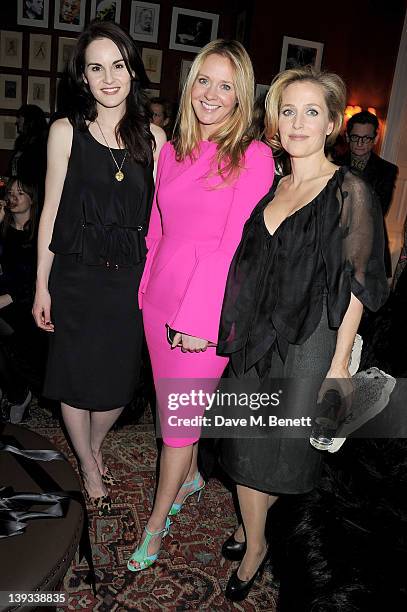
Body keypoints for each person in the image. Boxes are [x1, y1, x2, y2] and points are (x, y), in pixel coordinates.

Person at [216, 67, 389, 601]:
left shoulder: (349, 190)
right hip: (253, 335)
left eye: (311, 112)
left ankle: (255, 545)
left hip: (309, 341)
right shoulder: (273, 185)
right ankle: (253, 531)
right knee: (243, 443)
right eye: (287, 110)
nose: (297, 122)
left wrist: (338, 367)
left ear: (332, 123)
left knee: (277, 452)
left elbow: (359, 286)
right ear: (275, 119)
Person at [127, 39, 274, 572]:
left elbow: (236, 247)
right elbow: (158, 230)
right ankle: (189, 477)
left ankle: (154, 525)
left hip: (203, 313)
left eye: (226, 85)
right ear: (191, 87)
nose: (211, 94)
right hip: (159, 301)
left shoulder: (254, 157)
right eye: (204, 81)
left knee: (177, 427)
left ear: (242, 97)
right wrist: (145, 292)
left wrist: (200, 321)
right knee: (172, 415)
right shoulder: (170, 151)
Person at [32, 22, 165, 514]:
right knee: (72, 374)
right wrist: (40, 286)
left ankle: (91, 445)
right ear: (83, 77)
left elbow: (161, 217)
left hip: (130, 275)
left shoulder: (155, 138)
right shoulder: (65, 132)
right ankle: (89, 464)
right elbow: (48, 212)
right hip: (75, 272)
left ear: (133, 70)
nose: (109, 77)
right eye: (96, 67)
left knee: (116, 383)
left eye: (118, 65)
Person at [0, 177, 45, 423]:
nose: (13, 197)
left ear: (31, 199)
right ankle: (16, 391)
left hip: (27, 304)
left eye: (21, 192)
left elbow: (36, 280)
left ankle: (18, 394)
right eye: (10, 192)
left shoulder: (39, 234)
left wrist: (8, 298)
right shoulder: (3, 230)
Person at [336, 110, 398, 277]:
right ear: (348, 137)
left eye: (367, 138)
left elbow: (380, 208)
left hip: (370, 242)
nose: (360, 143)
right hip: (335, 239)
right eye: (355, 137)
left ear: (375, 139)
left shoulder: (387, 170)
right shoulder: (333, 164)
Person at [9, 104, 48, 207]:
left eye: (20, 118)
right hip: (17, 192)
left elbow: (38, 174)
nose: (17, 122)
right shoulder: (20, 141)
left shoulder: (43, 143)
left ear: (29, 120)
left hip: (32, 196)